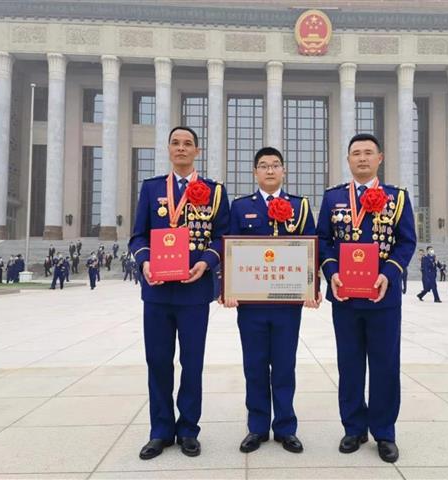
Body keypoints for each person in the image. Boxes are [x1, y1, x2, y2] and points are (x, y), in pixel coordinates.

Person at [129, 126, 230, 460]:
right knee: (157, 361)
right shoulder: (152, 188)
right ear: (168, 149)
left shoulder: (214, 192)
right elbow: (138, 236)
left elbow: (221, 236)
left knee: (192, 362)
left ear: (197, 151)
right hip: (157, 291)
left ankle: (188, 429)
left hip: (193, 291)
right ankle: (160, 430)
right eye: (176, 143)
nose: (182, 148)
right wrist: (143, 262)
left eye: (188, 144)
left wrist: (206, 262)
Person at [317, 133, 416, 463]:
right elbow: (324, 241)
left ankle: (384, 432)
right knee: (349, 363)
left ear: (379, 159)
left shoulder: (397, 198)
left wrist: (388, 274)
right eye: (355, 153)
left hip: (382, 297)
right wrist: (331, 272)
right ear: (348, 160)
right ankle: (354, 427)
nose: (362, 158)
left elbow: (406, 242)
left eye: (368, 153)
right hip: (345, 296)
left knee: (385, 364)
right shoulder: (333, 199)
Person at [222, 146, 319, 455]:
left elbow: (312, 250)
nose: (269, 170)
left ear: (284, 171)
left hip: (287, 305)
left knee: (284, 366)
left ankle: (286, 427)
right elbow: (229, 252)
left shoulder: (299, 206)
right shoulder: (240, 207)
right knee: (254, 366)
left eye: (275, 165)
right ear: (255, 172)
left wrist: (312, 287)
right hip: (250, 305)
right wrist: (227, 288)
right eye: (263, 165)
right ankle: (257, 427)